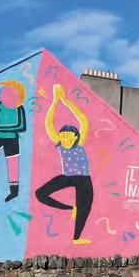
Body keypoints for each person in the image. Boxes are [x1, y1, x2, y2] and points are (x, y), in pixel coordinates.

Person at [35, 84, 94, 245]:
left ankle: (76, 238)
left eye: (68, 136)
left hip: (83, 178)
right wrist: (55, 100)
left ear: (76, 137)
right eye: (62, 136)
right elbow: (49, 123)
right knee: (40, 194)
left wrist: (65, 101)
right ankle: (70, 208)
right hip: (67, 177)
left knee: (85, 206)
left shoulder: (79, 143)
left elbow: (82, 120)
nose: (65, 139)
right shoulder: (60, 144)